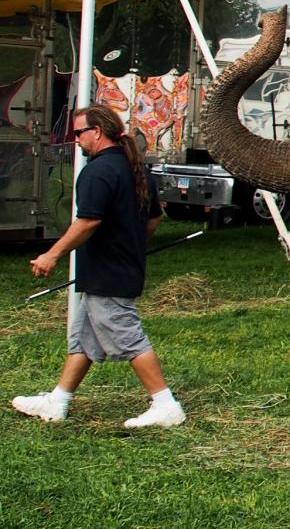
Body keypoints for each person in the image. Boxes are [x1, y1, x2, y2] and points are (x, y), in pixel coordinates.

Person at [12, 105, 185, 428]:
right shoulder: (135, 168)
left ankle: (165, 404)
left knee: (128, 337)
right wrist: (132, 244)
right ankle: (58, 401)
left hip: (108, 271)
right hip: (119, 267)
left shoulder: (98, 171)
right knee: (84, 339)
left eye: (79, 133)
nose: (76, 140)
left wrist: (52, 254)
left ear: (97, 131)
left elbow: (89, 220)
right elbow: (154, 218)